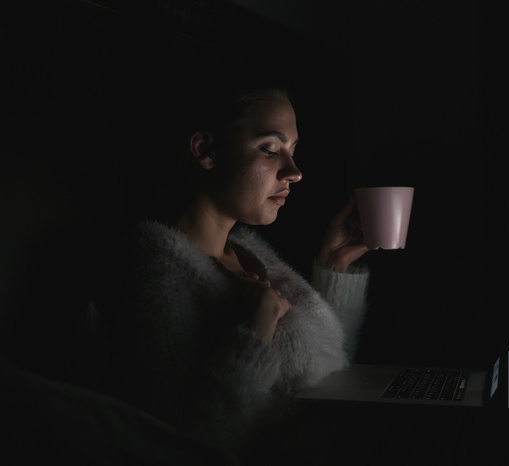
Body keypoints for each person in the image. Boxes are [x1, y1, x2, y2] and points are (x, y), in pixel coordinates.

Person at [89, 77, 372, 455]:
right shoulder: (157, 269)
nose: (294, 171)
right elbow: (198, 442)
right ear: (206, 150)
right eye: (271, 149)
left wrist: (333, 267)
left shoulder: (246, 251)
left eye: (293, 150)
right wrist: (256, 331)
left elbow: (321, 371)